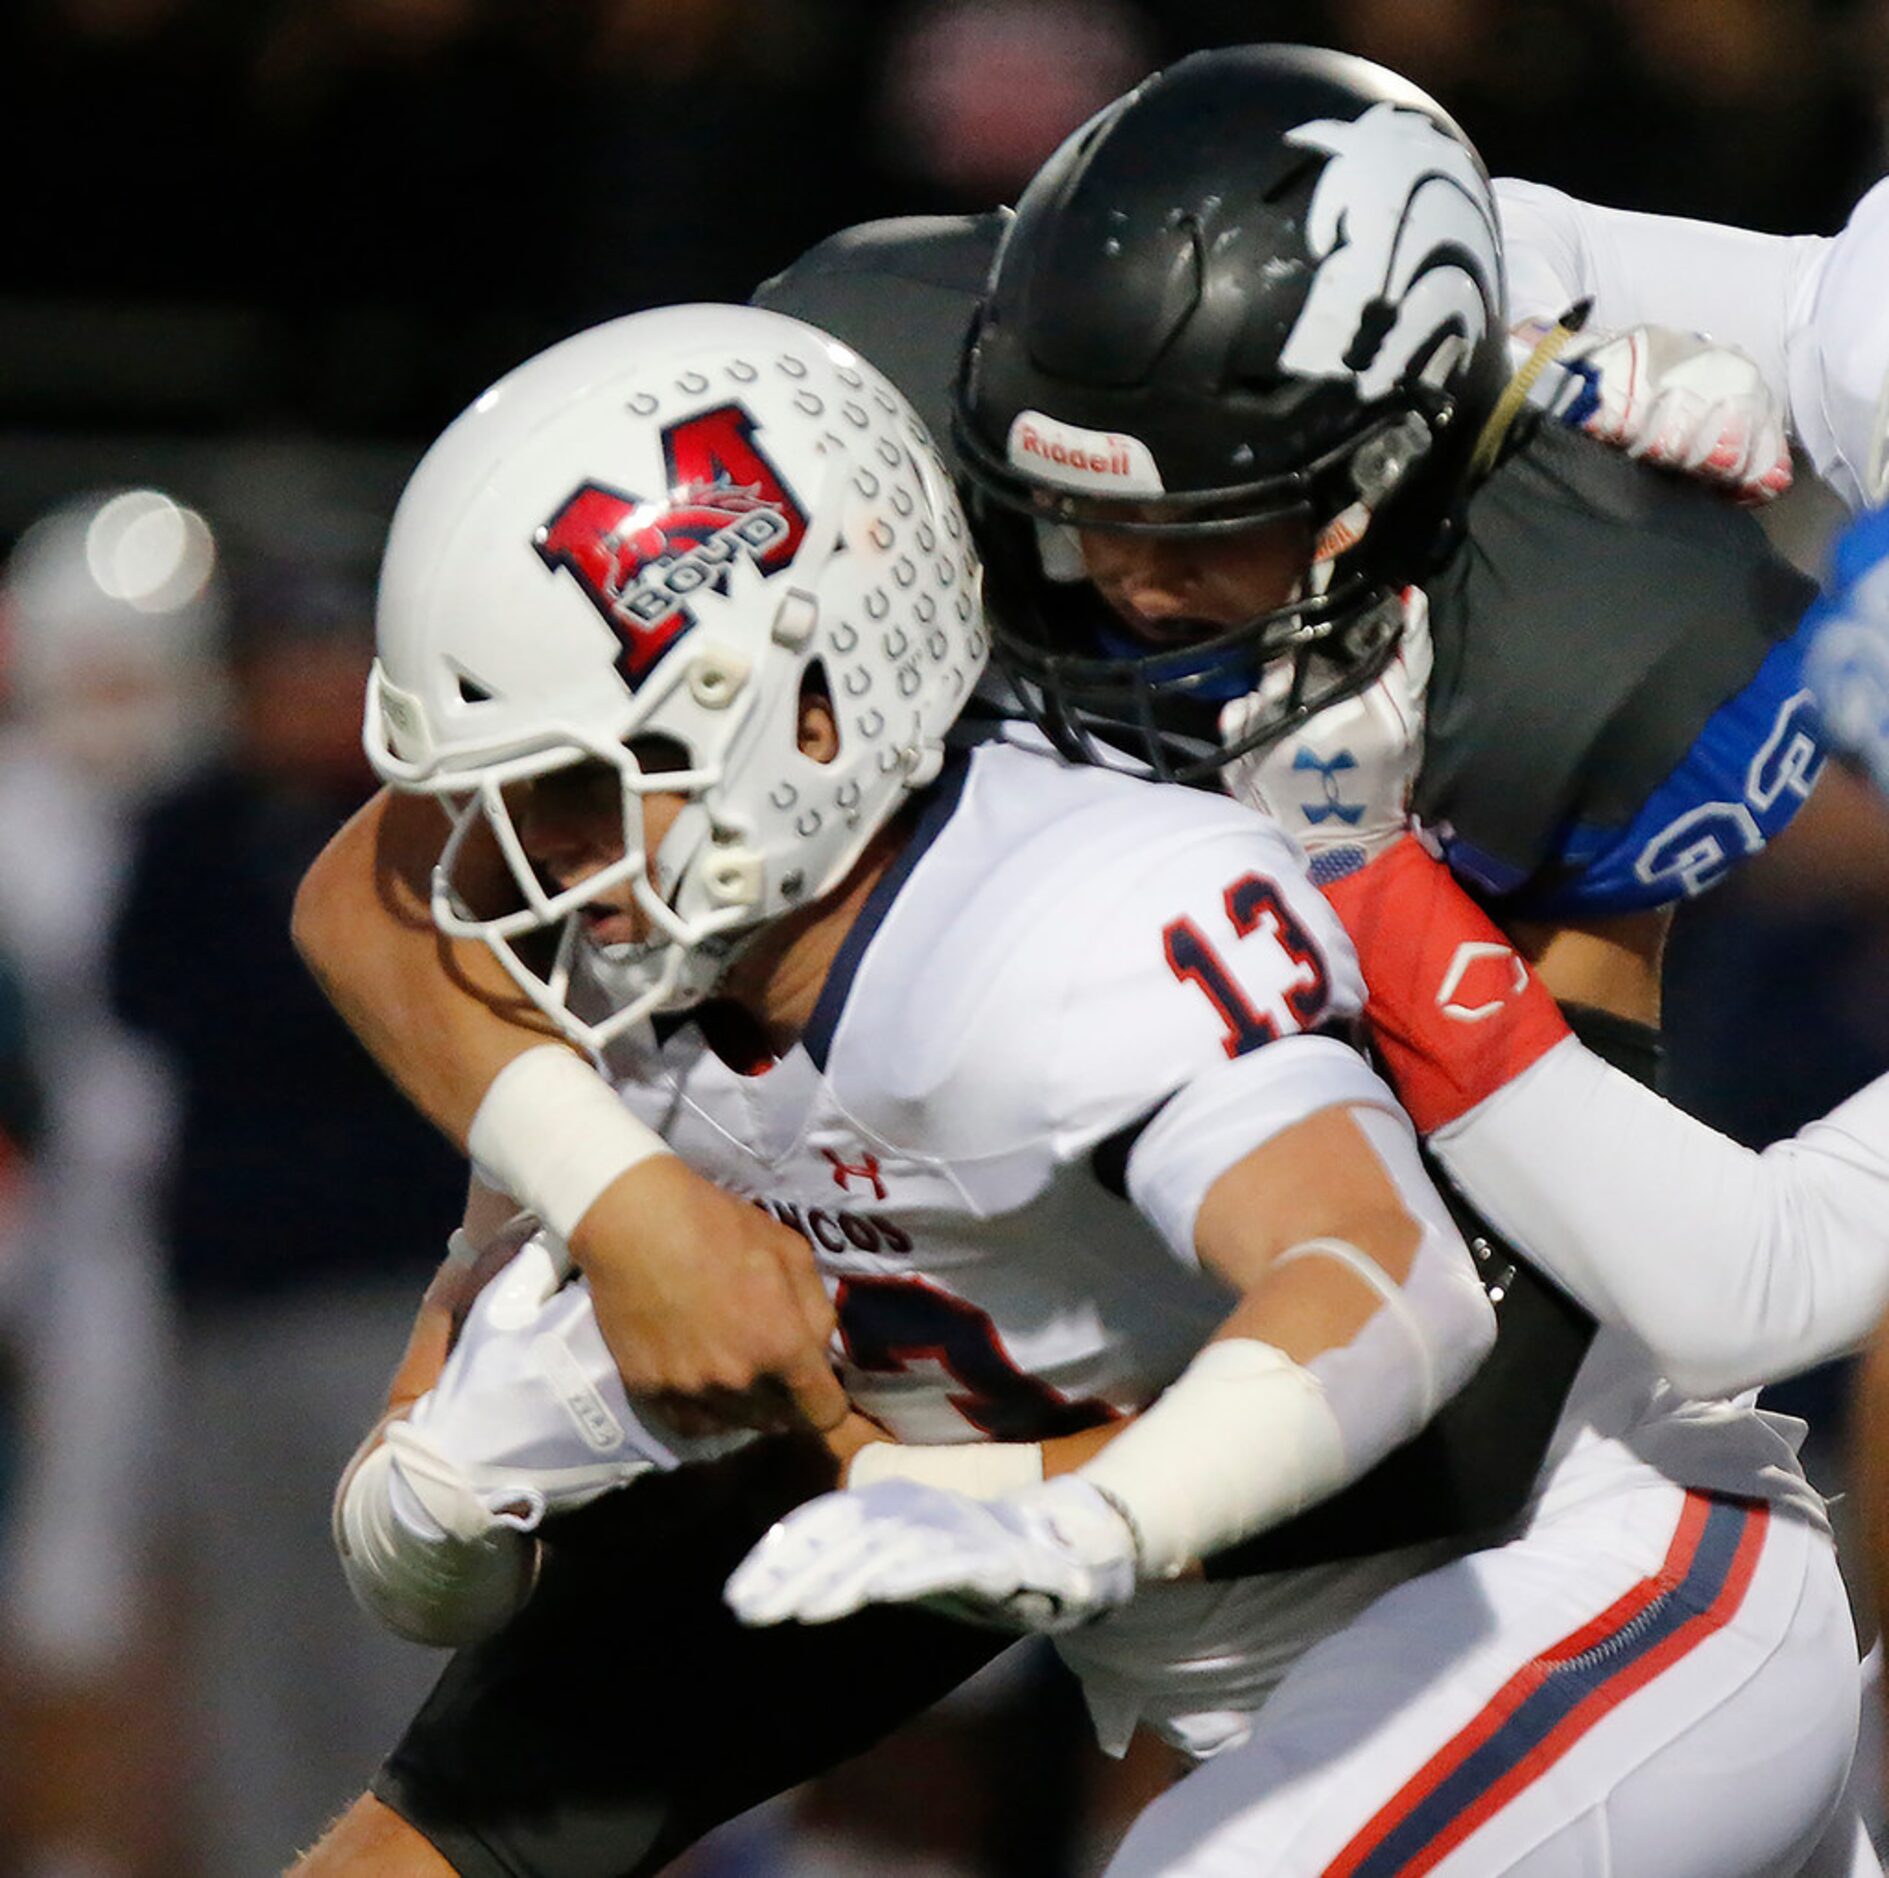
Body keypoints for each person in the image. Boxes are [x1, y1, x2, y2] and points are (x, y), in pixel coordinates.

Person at [286, 42, 1882, 1875]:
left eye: (1189, 521)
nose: (1115, 574)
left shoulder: (1149, 896)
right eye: (1063, 513)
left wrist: (1374, 887)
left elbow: (1500, 1315)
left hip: (1475, 1525)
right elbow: (390, 893)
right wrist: (612, 1233)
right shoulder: (877, 448)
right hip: (1040, 1422)